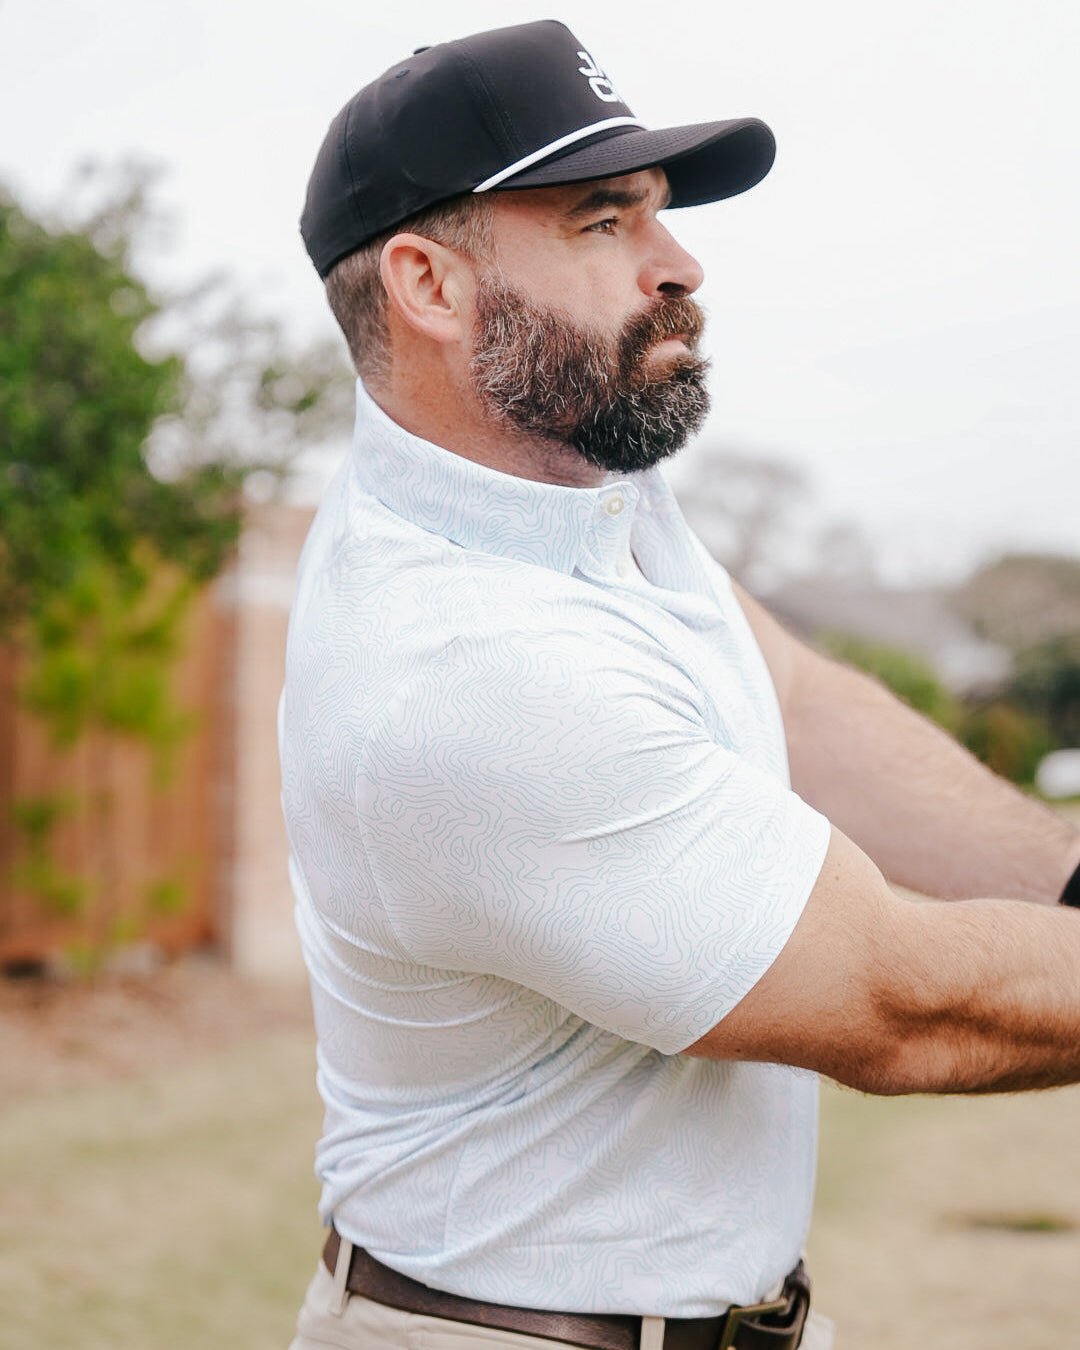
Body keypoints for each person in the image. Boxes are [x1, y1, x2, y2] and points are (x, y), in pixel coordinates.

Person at [280, 19, 1080, 1350]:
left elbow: (800, 704)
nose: (680, 262)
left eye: (656, 211)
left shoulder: (576, 488)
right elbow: (900, 1000)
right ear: (426, 283)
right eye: (603, 222)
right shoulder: (467, 668)